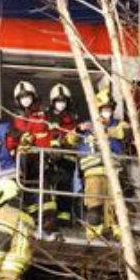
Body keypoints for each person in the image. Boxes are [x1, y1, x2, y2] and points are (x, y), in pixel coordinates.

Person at [76, 86, 131, 242]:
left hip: (113, 171)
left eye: (109, 108)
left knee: (116, 204)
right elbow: (70, 139)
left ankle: (119, 234)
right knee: (94, 203)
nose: (107, 111)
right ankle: (94, 234)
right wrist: (79, 129)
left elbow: (127, 133)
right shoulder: (87, 126)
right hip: (92, 172)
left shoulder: (119, 124)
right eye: (104, 108)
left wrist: (105, 131)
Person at [10, 81, 57, 234]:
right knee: (27, 189)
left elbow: (50, 133)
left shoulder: (43, 114)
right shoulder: (16, 117)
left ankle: (48, 220)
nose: (25, 100)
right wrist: (20, 140)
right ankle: (32, 218)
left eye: (27, 96)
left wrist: (51, 148)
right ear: (18, 100)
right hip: (25, 158)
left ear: (33, 96)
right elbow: (13, 138)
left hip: (41, 156)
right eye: (22, 97)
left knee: (44, 187)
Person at [47, 83, 82, 230]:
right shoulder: (46, 118)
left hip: (68, 160)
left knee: (65, 188)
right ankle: (49, 218)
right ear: (53, 102)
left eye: (63, 101)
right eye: (58, 101)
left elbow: (76, 139)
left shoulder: (73, 120)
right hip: (49, 159)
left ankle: (64, 219)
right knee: (48, 188)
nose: (61, 104)